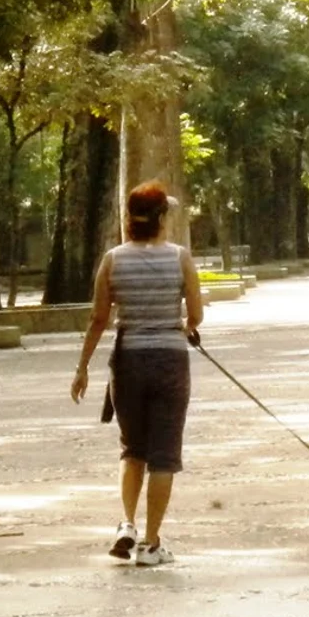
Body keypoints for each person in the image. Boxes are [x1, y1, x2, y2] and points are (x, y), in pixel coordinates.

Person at [70, 181, 203, 567]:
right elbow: (195, 316)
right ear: (161, 218)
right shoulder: (180, 258)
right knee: (164, 454)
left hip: (127, 363)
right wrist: (180, 323)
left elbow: (98, 318)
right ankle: (150, 543)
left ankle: (126, 524)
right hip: (170, 362)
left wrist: (82, 369)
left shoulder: (112, 260)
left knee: (133, 449)